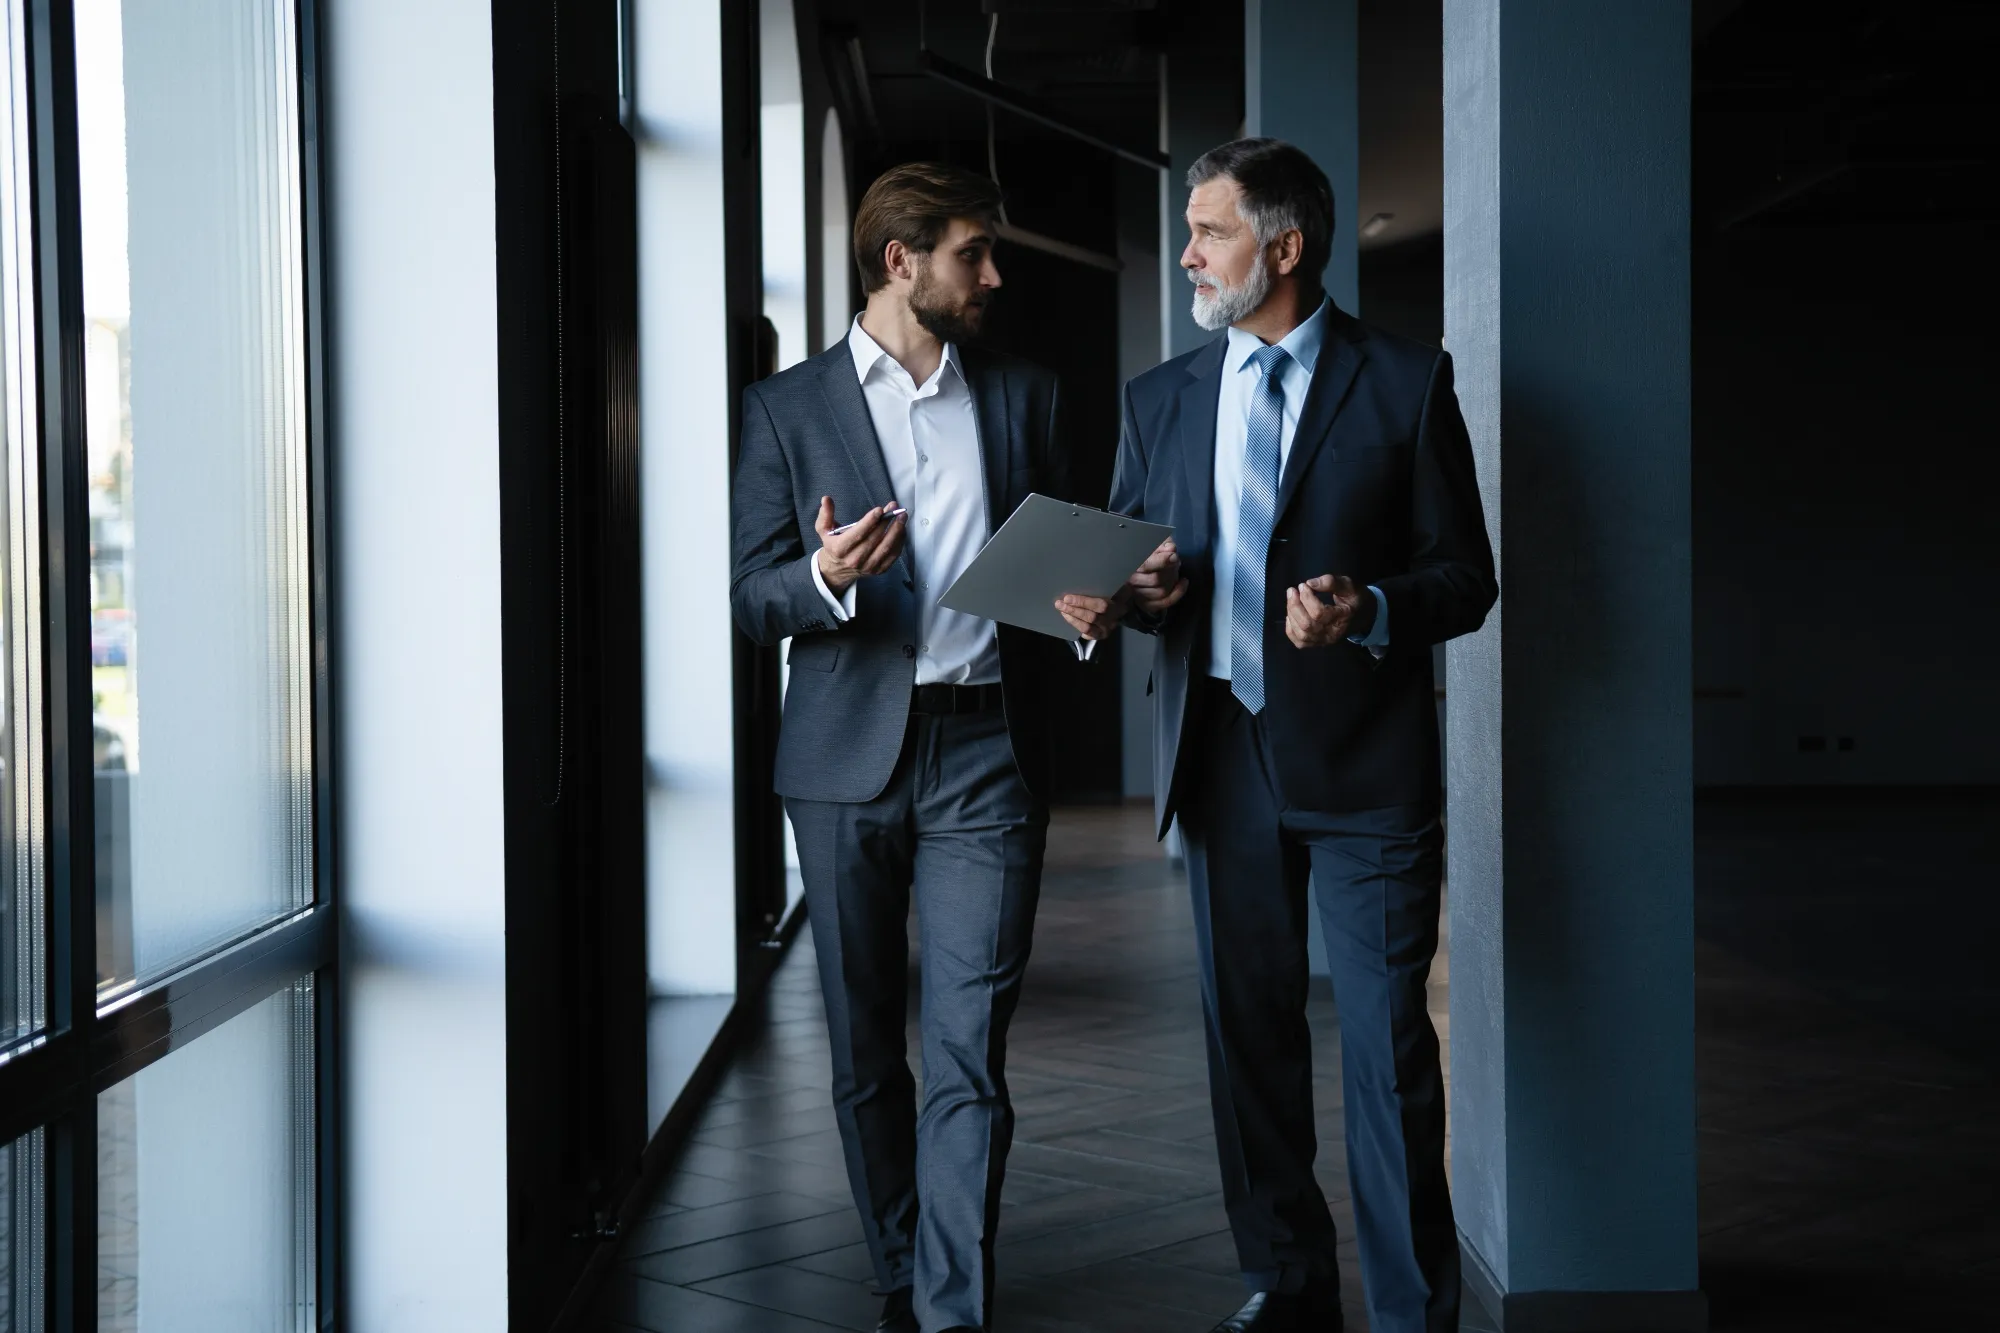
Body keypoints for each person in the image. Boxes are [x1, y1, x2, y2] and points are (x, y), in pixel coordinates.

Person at [1111, 139, 1497, 1333]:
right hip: (1219, 757)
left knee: (1388, 1056)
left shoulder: (1404, 380)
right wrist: (1124, 598)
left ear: (1281, 247)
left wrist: (1369, 608)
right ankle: (1284, 1283)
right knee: (1248, 1045)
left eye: (1208, 231)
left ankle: (1406, 1311)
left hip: (1366, 768)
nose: (1186, 253)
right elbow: (1129, 564)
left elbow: (1464, 578)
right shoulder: (1160, 396)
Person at [728, 162, 1118, 1333]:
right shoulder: (784, 410)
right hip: (843, 762)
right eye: (970, 253)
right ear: (900, 264)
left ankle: (953, 1306)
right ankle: (899, 1266)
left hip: (990, 754)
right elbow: (748, 598)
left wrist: (1088, 606)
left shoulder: (1026, 395)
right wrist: (823, 581)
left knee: (967, 1050)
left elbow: (1063, 567)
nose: (991, 274)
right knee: (862, 1050)